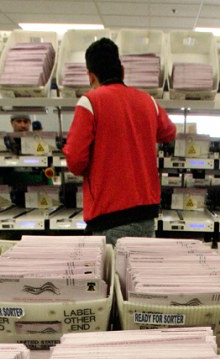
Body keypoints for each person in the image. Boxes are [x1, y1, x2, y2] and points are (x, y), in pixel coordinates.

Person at [64, 37, 176, 246]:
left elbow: (76, 161)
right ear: (122, 71)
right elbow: (169, 133)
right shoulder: (147, 101)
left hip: (108, 217)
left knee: (114, 276)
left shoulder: (90, 102)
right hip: (145, 216)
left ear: (90, 75)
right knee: (138, 276)